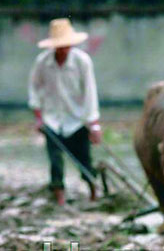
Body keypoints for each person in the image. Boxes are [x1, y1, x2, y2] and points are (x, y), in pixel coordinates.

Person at [28, 18, 102, 206]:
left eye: (66, 46)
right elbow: (34, 88)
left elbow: (90, 93)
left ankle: (93, 189)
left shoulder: (82, 61)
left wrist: (93, 124)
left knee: (83, 158)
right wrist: (38, 117)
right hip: (52, 120)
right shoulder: (43, 62)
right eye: (59, 46)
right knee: (55, 161)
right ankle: (59, 195)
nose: (63, 50)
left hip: (77, 119)